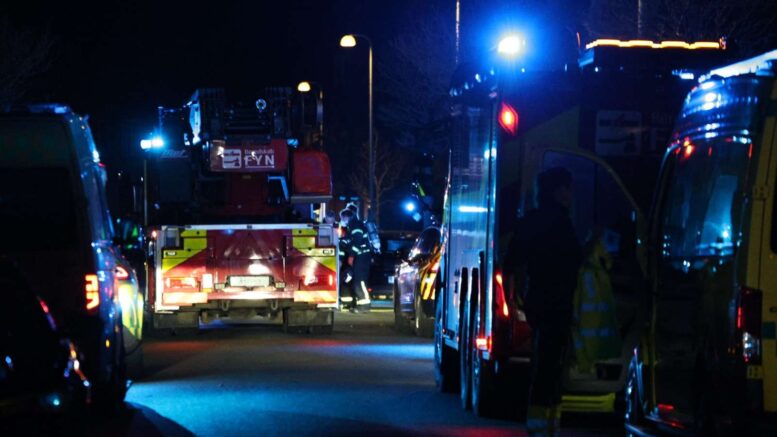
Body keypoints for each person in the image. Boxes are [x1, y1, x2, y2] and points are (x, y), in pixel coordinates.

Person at [503, 167, 581, 437]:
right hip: (557, 304)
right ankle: (544, 425)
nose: (571, 194)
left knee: (545, 363)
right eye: (568, 188)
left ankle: (542, 422)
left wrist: (515, 298)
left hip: (537, 301)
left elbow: (511, 261)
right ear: (558, 191)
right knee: (552, 366)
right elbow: (574, 261)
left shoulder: (530, 221)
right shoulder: (561, 223)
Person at [339, 208, 372, 312]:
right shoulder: (351, 226)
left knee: (360, 281)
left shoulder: (356, 225)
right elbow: (348, 242)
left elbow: (357, 242)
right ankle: (355, 304)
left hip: (362, 256)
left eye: (342, 218)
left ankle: (364, 306)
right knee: (354, 280)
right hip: (359, 256)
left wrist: (351, 256)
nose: (342, 220)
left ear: (347, 217)